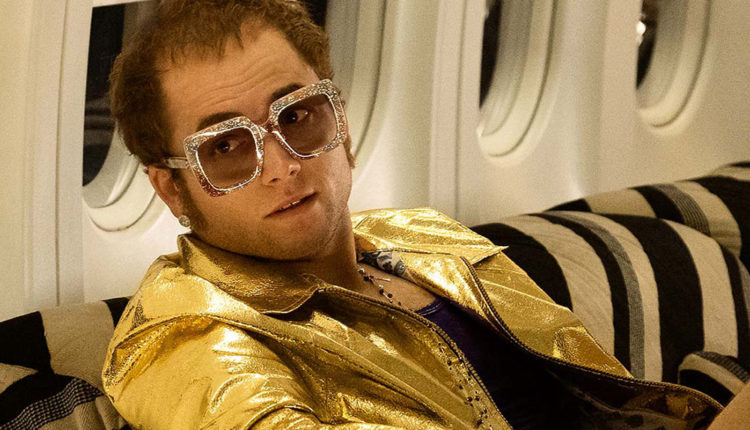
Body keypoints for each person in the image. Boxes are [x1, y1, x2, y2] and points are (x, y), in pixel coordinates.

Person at [101, 1, 742, 428]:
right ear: (172, 190)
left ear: (342, 125)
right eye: (226, 148)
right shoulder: (183, 334)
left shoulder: (423, 235)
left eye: (297, 115)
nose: (281, 164)